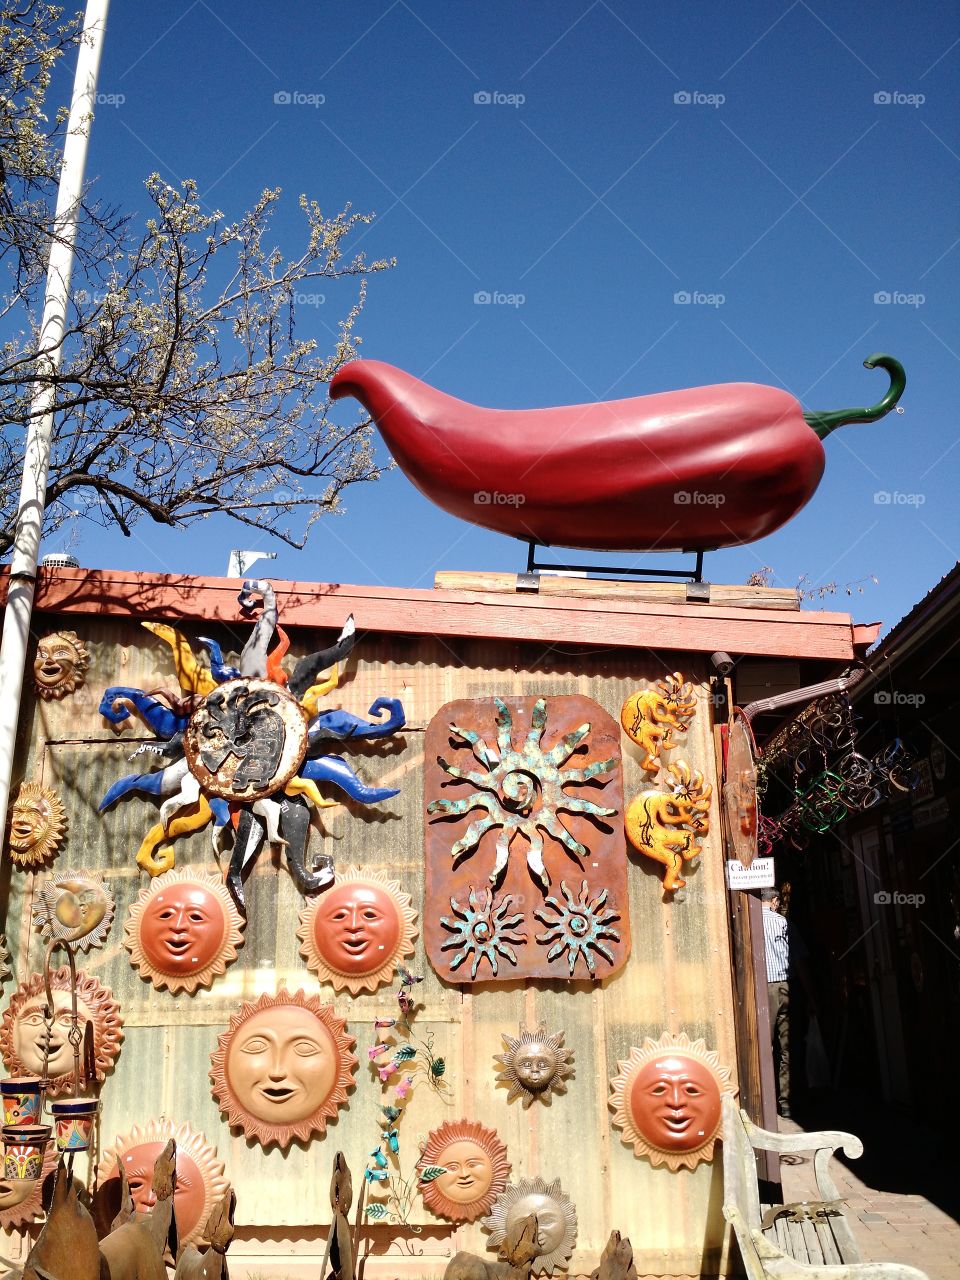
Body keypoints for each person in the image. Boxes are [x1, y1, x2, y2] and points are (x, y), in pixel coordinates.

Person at [760, 886, 815, 1118]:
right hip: (785, 988)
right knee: (786, 1047)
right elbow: (800, 962)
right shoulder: (783, 923)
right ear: (774, 901)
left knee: (764, 1047)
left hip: (761, 989)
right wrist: (811, 996)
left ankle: (763, 1102)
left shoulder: (749, 921)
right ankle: (786, 1103)